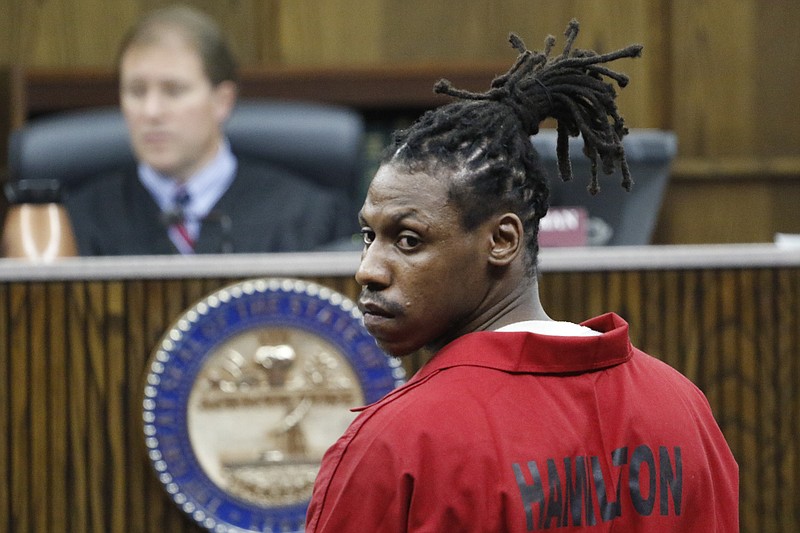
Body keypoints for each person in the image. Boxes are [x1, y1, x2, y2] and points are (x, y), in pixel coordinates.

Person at [306, 20, 738, 532]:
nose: (368, 270)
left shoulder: (398, 445)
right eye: (366, 237)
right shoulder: (682, 407)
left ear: (502, 240)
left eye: (408, 240)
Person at [64, 4, 356, 255]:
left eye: (173, 91)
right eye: (137, 91)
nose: (151, 112)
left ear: (222, 101)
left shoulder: (308, 215)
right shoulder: (76, 221)